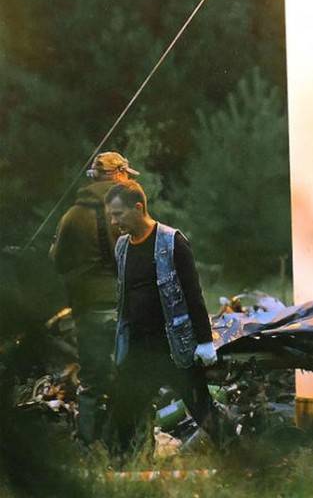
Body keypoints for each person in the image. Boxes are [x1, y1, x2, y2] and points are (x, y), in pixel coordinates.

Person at [104, 180, 224, 454]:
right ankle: (129, 469)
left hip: (173, 347)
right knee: (125, 412)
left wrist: (205, 341)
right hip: (138, 348)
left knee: (202, 408)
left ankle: (242, 460)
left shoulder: (172, 242)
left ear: (138, 208)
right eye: (110, 215)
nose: (113, 221)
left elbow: (194, 294)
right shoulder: (122, 247)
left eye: (118, 214)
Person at [49, 151, 138, 444]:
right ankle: (136, 449)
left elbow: (60, 262)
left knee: (91, 383)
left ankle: (90, 449)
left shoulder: (72, 216)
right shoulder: (131, 210)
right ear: (119, 175)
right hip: (126, 306)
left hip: (88, 309)